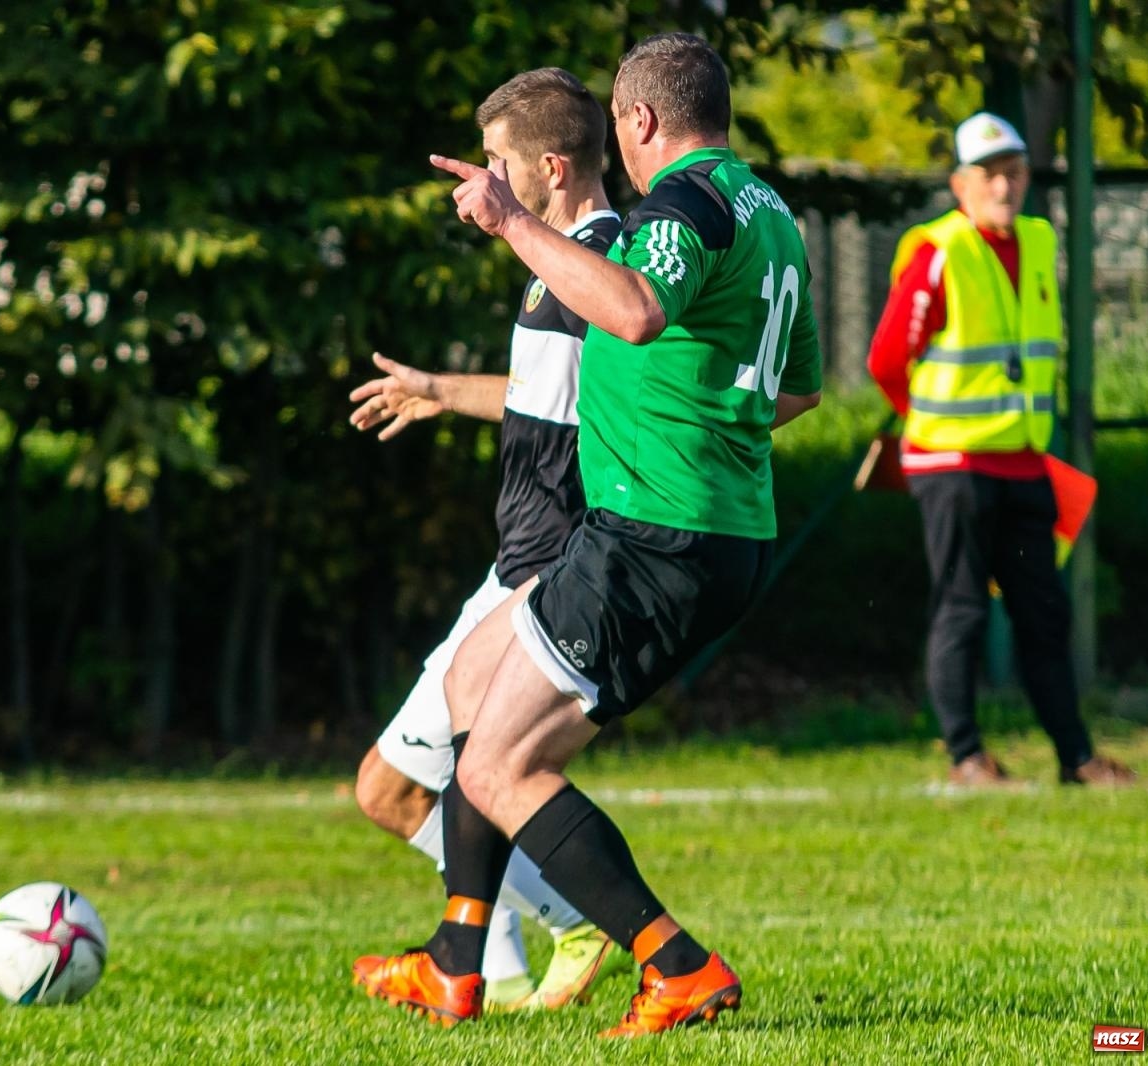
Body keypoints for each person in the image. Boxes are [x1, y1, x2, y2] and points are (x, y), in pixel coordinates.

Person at [352, 33, 823, 1037]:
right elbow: (796, 388)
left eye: (618, 123)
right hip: (701, 525)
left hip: (656, 533)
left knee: (497, 768)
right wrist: (696, 427)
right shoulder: (769, 212)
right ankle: (457, 958)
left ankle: (674, 962)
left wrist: (510, 218)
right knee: (474, 682)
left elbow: (638, 311)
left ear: (640, 119)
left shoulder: (684, 206)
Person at [346, 67, 627, 1013]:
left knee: (409, 786)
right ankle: (492, 974)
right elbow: (544, 401)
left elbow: (611, 418)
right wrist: (439, 390)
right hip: (519, 564)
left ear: (553, 167)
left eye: (500, 163)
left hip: (543, 573)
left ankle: (566, 926)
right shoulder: (563, 266)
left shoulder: (599, 268)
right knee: (405, 787)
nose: (486, 183)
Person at [866, 112, 1135, 788]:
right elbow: (887, 359)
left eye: (1013, 172)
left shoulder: (1038, 242)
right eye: (988, 174)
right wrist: (928, 427)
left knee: (1044, 613)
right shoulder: (939, 250)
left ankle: (1076, 758)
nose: (1003, 186)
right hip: (953, 466)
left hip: (1022, 461)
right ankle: (967, 757)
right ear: (961, 185)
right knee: (961, 608)